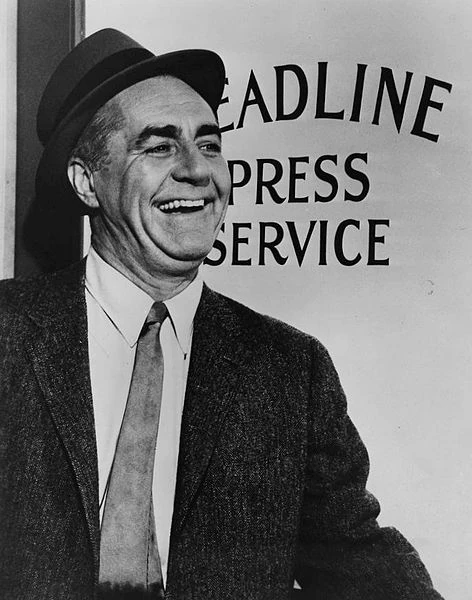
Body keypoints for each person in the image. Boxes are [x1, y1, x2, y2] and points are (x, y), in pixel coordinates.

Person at [0, 28, 443, 600]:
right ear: (88, 182)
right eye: (159, 146)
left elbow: (359, 563)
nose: (197, 170)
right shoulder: (8, 335)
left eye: (209, 145)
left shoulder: (290, 369)